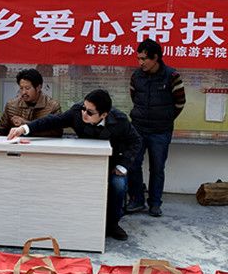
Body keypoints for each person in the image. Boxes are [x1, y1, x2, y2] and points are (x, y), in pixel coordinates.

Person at [8, 89, 141, 241]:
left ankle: (112, 224)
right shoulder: (77, 112)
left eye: (90, 112)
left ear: (104, 115)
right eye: (84, 108)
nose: (84, 113)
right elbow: (52, 120)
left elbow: (136, 141)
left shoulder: (120, 120)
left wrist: (123, 165)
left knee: (118, 185)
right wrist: (24, 128)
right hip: (86, 161)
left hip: (112, 163)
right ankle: (78, 222)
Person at [127, 39, 186, 218]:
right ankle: (137, 200)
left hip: (161, 131)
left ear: (156, 58)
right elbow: (134, 97)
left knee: (157, 168)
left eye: (144, 59)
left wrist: (165, 118)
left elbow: (180, 102)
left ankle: (155, 203)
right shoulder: (136, 76)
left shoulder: (172, 76)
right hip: (138, 128)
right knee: (133, 164)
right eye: (138, 58)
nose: (140, 62)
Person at [0, 68, 62, 137]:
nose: (23, 92)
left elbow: (57, 132)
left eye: (27, 88)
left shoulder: (52, 107)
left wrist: (25, 124)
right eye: (21, 88)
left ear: (38, 88)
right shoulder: (11, 105)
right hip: (17, 143)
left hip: (42, 143)